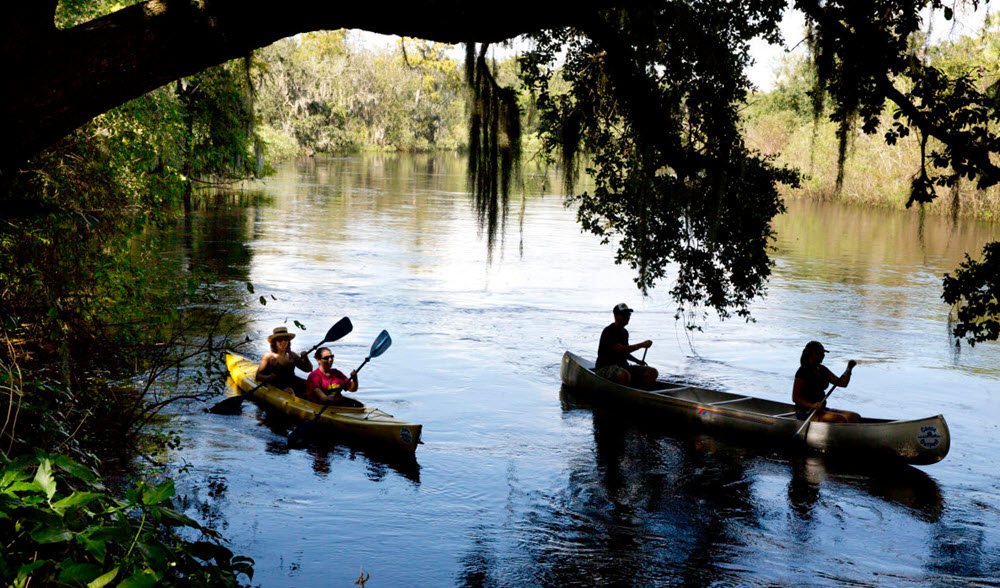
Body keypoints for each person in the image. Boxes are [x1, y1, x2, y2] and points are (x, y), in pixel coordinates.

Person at [792, 341, 860, 423]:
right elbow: (795, 398)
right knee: (841, 419)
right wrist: (812, 405)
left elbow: (842, 383)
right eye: (820, 353)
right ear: (811, 354)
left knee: (855, 417)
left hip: (821, 410)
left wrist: (849, 369)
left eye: (823, 353)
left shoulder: (822, 369)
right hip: (806, 412)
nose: (823, 356)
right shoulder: (802, 372)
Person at [595, 302, 658, 387]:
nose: (627, 317)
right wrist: (641, 345)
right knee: (623, 375)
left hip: (622, 366)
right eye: (624, 314)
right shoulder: (609, 331)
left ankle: (639, 392)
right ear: (616, 316)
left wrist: (638, 361)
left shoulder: (624, 333)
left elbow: (625, 353)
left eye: (628, 314)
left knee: (652, 372)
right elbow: (620, 349)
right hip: (605, 367)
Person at [256, 326, 313, 396]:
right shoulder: (268, 357)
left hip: (292, 382)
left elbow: (308, 369)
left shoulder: (292, 355)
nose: (283, 342)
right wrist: (268, 377)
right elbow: (258, 376)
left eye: (286, 339)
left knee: (312, 385)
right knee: (290, 391)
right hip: (277, 384)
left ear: (288, 341)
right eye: (280, 340)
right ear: (274, 342)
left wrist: (306, 358)